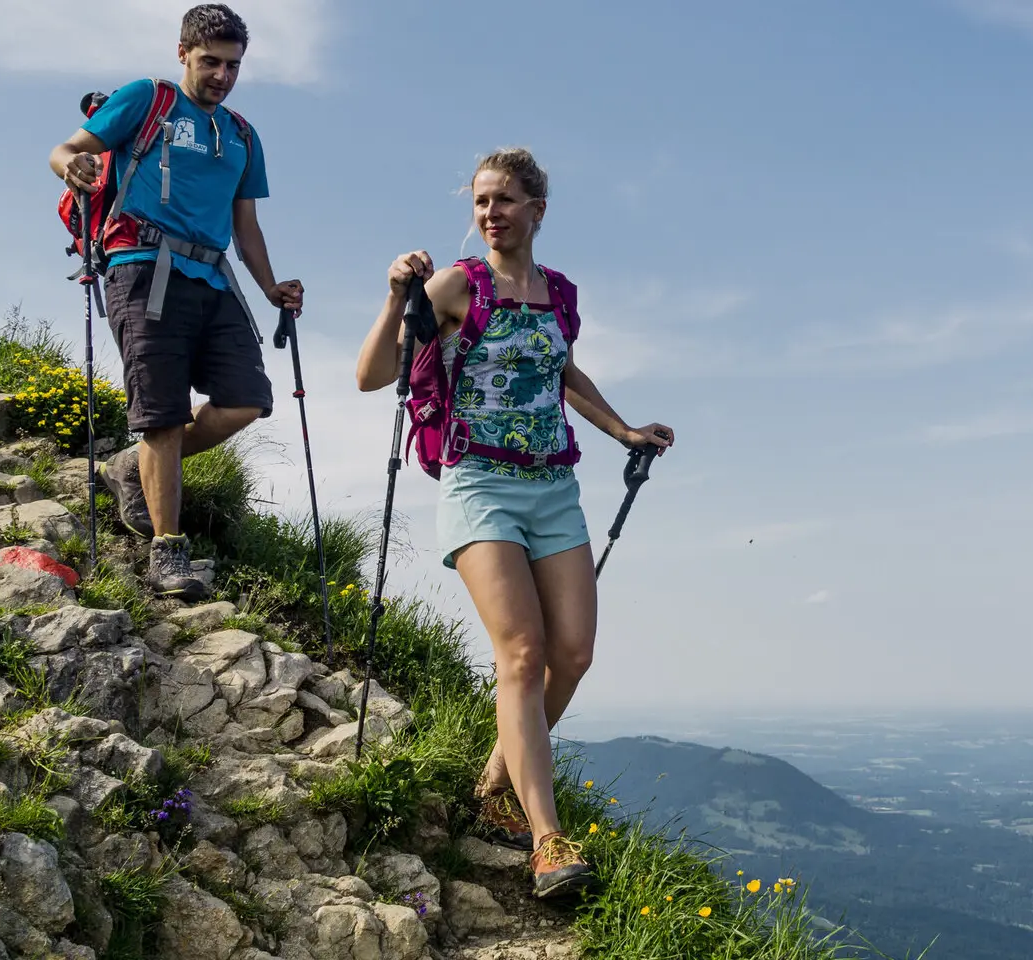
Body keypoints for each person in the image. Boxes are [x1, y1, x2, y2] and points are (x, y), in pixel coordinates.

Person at [358, 148, 674, 899]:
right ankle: (547, 840)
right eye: (479, 203)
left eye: (504, 200)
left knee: (575, 653)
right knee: (524, 655)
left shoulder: (557, 294)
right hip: (480, 484)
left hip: (553, 488)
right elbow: (373, 376)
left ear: (538, 208)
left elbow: (563, 373)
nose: (489, 213)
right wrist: (394, 297)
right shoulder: (455, 286)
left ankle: (500, 769)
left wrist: (625, 432)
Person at [46, 3, 302, 601]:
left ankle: (132, 466)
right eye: (210, 61)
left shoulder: (242, 134)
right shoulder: (148, 98)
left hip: (213, 279)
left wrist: (269, 288)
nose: (222, 75)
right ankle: (168, 553)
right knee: (160, 413)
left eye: (233, 65)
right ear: (183, 52)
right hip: (141, 266)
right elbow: (64, 150)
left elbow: (248, 227)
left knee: (246, 401)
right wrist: (73, 166)